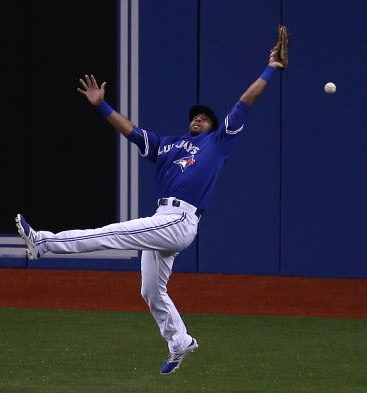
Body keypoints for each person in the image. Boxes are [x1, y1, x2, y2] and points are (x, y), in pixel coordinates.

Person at [15, 45, 284, 375]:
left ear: (214, 126)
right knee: (151, 290)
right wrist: (102, 107)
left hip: (180, 219)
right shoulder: (167, 145)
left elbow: (245, 102)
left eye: (204, 118)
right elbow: (130, 130)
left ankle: (42, 243)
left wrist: (270, 68)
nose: (198, 119)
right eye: (195, 117)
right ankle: (179, 341)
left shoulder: (218, 143)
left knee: (112, 234)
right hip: (164, 218)